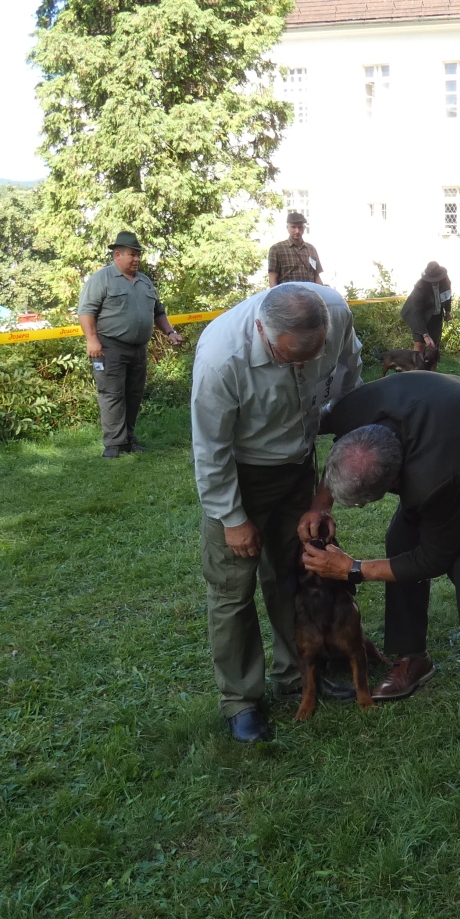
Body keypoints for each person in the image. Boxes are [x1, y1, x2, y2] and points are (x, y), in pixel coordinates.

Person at [300, 372, 460, 727]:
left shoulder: (433, 478)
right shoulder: (351, 411)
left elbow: (434, 558)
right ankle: (412, 657)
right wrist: (320, 505)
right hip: (457, 433)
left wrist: (353, 569)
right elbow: (344, 447)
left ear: (396, 480)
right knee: (400, 540)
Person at [191, 282, 363, 743]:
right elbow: (210, 449)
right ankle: (241, 701)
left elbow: (351, 393)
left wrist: (323, 493)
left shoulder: (336, 314)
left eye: (312, 356)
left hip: (298, 464)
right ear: (262, 331)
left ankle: (300, 672)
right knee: (232, 588)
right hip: (241, 471)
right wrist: (233, 520)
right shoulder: (221, 359)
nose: (303, 367)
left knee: (295, 573)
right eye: (290, 358)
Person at [77, 231, 183, 459]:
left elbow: (158, 312)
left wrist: (170, 332)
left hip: (138, 349)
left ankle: (128, 440)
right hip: (109, 347)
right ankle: (114, 444)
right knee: (112, 394)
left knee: (134, 395)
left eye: (138, 255)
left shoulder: (145, 281)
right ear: (117, 255)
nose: (136, 259)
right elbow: (86, 311)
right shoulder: (102, 279)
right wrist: (92, 340)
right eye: (132, 255)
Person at [401, 262, 452, 351]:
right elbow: (417, 313)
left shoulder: (445, 281)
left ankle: (433, 360)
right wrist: (425, 335)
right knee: (419, 345)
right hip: (419, 316)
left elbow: (447, 296)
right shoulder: (420, 288)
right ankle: (417, 360)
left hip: (436, 316)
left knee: (434, 346)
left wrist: (448, 311)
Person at [267, 211, 323, 287]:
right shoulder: (277, 249)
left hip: (309, 293)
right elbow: (272, 279)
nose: (297, 231)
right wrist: (276, 294)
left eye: (300, 227)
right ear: (287, 227)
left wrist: (322, 291)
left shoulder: (311, 249)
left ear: (304, 228)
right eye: (293, 227)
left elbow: (316, 277)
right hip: (287, 293)